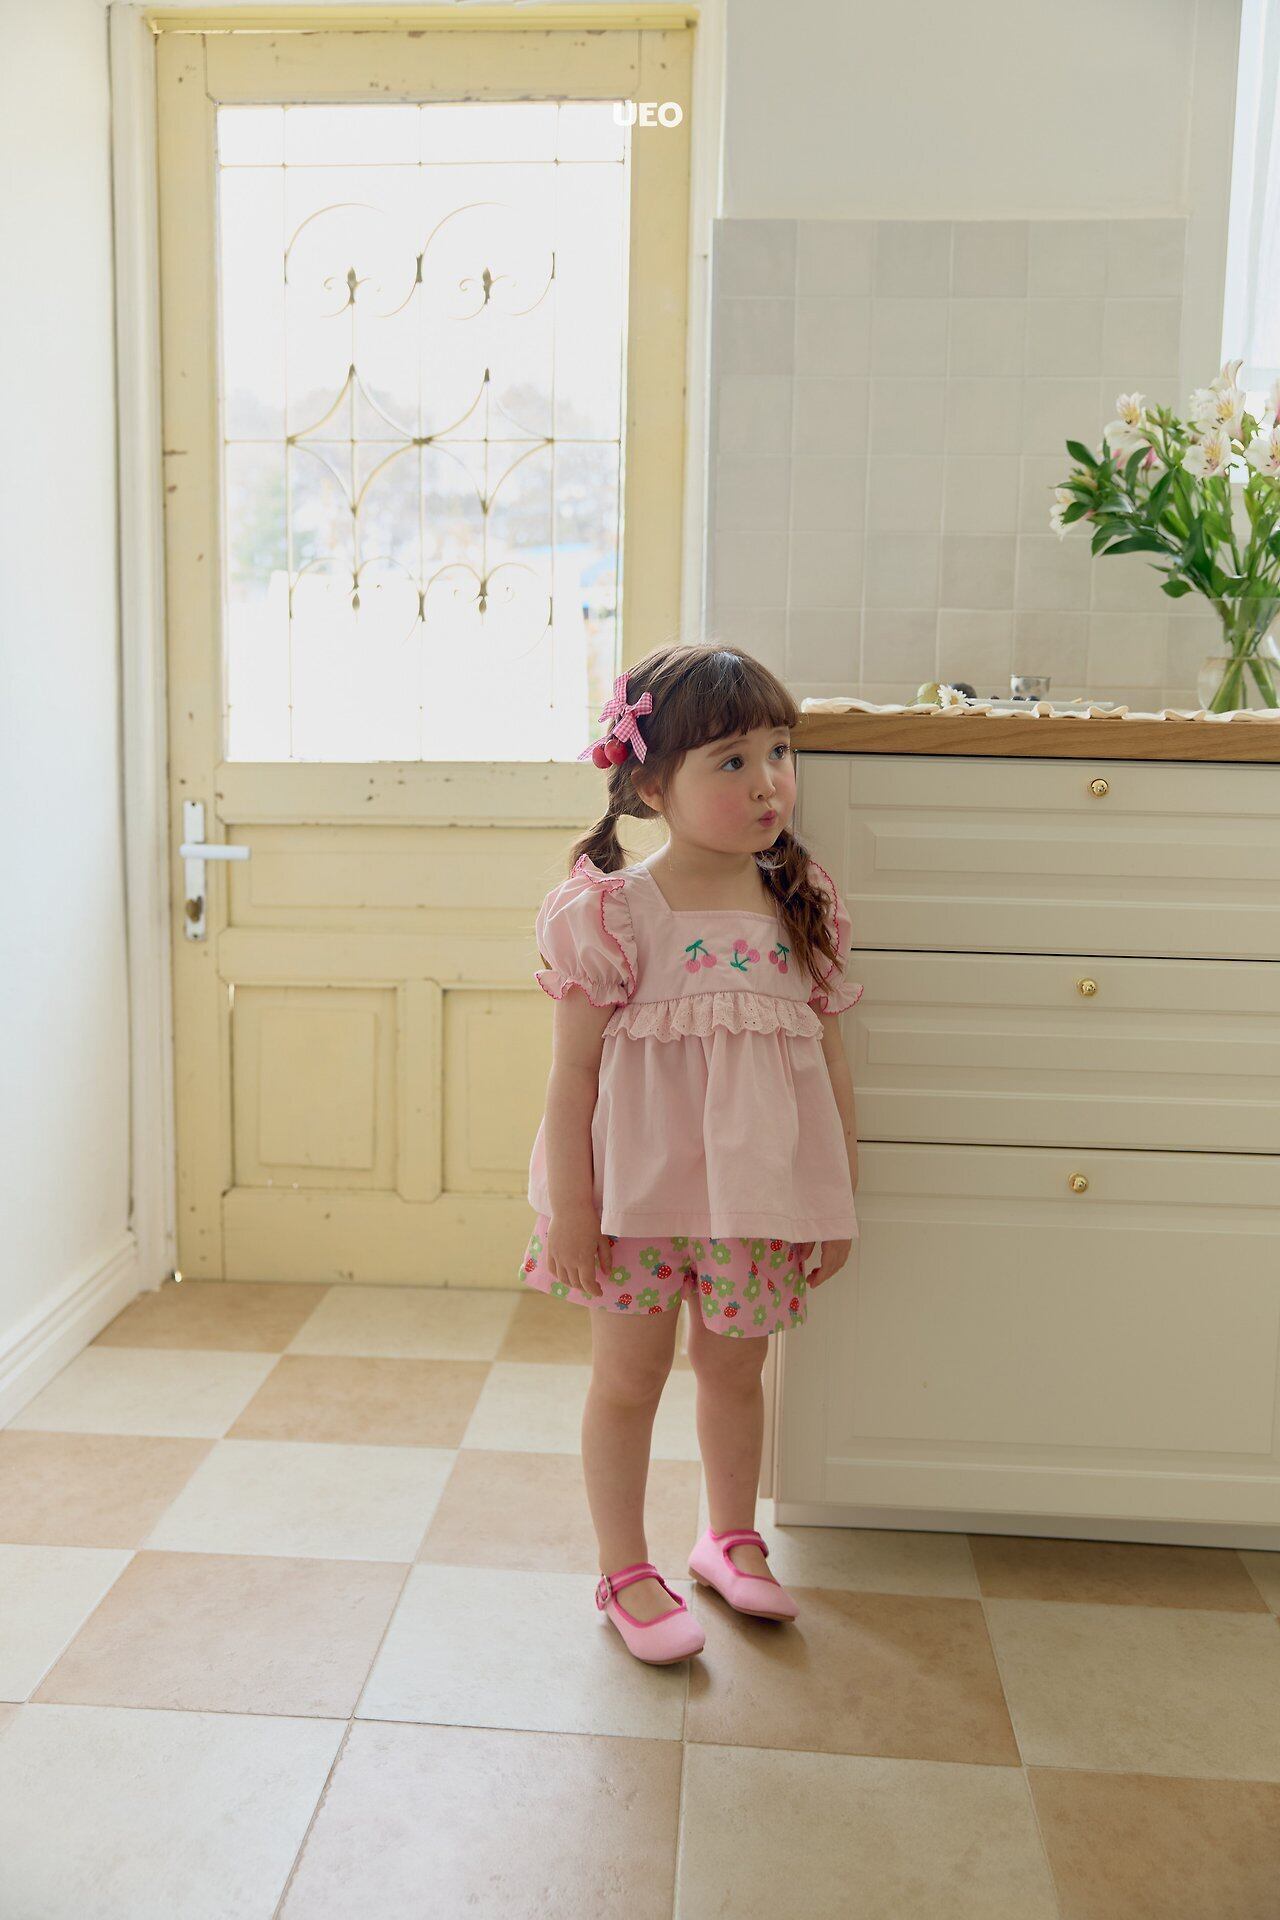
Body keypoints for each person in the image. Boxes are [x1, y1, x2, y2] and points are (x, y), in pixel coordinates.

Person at [517, 643, 862, 1665]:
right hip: (633, 1202)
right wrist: (572, 1209)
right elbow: (572, 1076)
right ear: (650, 786)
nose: (767, 783)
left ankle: (729, 1538)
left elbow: (830, 1064)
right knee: (628, 1379)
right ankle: (624, 1568)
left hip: (752, 1203)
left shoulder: (800, 901)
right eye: (731, 761)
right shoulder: (611, 914)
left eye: (779, 751)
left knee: (734, 1369)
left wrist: (833, 1200)